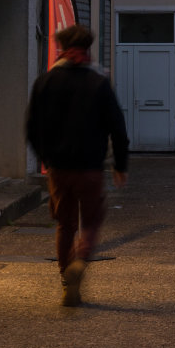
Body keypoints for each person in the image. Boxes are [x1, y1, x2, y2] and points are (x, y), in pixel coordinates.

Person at [25, 24, 130, 306]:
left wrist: (46, 158)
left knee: (65, 224)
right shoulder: (98, 83)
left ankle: (65, 278)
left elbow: (31, 128)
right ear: (87, 49)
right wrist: (120, 165)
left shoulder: (45, 82)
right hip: (90, 168)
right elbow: (118, 128)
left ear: (61, 48)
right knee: (92, 220)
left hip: (58, 168)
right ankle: (80, 261)